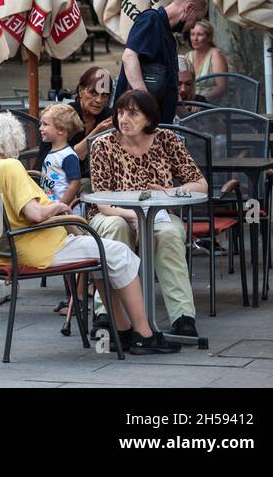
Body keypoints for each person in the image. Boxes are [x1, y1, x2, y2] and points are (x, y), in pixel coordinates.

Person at [0, 113, 180, 355]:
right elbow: (35, 215)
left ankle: (122, 331)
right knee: (121, 253)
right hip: (39, 248)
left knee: (103, 260)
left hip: (10, 250)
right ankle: (145, 334)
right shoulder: (10, 166)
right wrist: (58, 207)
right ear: (12, 139)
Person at [88, 89, 208, 340]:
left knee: (169, 234)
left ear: (149, 119)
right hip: (113, 214)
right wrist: (135, 218)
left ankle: (183, 316)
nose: (124, 119)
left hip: (157, 216)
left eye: (133, 113)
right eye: (120, 112)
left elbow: (200, 184)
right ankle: (106, 314)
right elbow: (102, 204)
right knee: (116, 229)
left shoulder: (167, 140)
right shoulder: (103, 145)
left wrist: (170, 191)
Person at [116, 0, 208, 125]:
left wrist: (190, 119)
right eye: (196, 19)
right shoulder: (151, 19)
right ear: (189, 8)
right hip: (140, 124)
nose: (193, 25)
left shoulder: (169, 36)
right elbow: (129, 57)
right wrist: (145, 103)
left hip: (158, 125)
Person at [39, 103, 84, 211]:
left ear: (61, 130)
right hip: (52, 208)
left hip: (66, 214)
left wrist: (60, 207)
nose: (41, 128)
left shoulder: (68, 156)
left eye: (45, 124)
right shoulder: (51, 152)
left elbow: (75, 184)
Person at [187, 19, 228, 101]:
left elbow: (221, 87)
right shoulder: (188, 56)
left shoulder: (215, 54)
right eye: (192, 34)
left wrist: (202, 99)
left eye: (200, 35)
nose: (195, 38)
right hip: (191, 103)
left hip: (210, 104)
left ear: (209, 37)